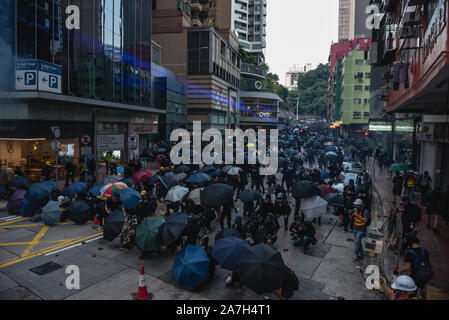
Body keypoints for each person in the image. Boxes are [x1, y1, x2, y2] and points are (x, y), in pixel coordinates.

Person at [395, 234, 433, 300]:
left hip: (417, 276)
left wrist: (397, 271)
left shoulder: (410, 253)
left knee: (412, 292)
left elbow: (407, 267)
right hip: (428, 273)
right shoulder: (424, 250)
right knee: (422, 285)